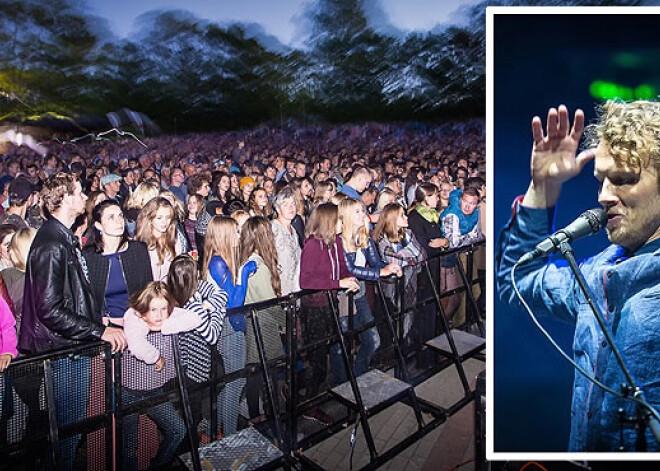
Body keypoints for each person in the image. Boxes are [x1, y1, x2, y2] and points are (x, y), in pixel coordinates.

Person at [496, 102, 660, 451]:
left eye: (624, 179)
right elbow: (517, 281)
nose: (604, 196)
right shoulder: (594, 272)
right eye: (601, 180)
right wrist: (543, 187)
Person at [19, 173, 126, 470]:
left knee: (70, 429)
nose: (83, 198)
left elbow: (71, 297)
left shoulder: (62, 237)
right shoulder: (52, 244)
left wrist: (96, 318)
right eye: (78, 193)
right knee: (66, 433)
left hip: (72, 346)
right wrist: (99, 330)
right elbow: (49, 310)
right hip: (64, 352)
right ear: (65, 198)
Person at [122, 281, 198, 470]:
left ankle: (158, 466)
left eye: (163, 308)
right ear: (143, 308)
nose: (159, 315)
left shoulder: (166, 319)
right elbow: (137, 345)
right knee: (129, 449)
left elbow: (195, 318)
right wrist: (157, 357)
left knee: (178, 430)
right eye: (153, 309)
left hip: (154, 392)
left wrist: (164, 326)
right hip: (129, 393)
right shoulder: (134, 318)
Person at [299, 203, 359, 424]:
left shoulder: (336, 242)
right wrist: (337, 282)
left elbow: (342, 268)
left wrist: (349, 279)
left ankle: (302, 390)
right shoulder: (314, 245)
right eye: (339, 220)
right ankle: (309, 405)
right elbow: (305, 281)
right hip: (315, 308)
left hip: (330, 304)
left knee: (324, 355)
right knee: (317, 360)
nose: (343, 223)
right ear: (328, 222)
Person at [335, 198, 401, 383]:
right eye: (357, 211)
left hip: (359, 294)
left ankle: (358, 378)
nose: (363, 213)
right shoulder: (338, 239)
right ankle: (343, 386)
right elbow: (350, 270)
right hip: (341, 298)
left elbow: (375, 262)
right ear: (346, 215)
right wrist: (381, 271)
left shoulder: (363, 235)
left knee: (372, 341)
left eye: (362, 210)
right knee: (340, 346)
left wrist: (392, 267)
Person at [203, 216, 257, 436]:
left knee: (235, 380)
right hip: (227, 326)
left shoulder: (225, 260)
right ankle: (229, 433)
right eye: (235, 231)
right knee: (235, 382)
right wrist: (243, 273)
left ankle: (219, 427)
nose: (239, 235)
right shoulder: (217, 263)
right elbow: (233, 303)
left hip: (233, 325)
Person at [167, 255, 227, 441]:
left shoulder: (173, 294)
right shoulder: (194, 306)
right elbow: (212, 336)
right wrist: (217, 312)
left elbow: (221, 293)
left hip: (184, 364)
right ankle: (190, 448)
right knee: (192, 412)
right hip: (195, 365)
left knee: (192, 408)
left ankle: (193, 438)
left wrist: (209, 303)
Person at [239, 216, 285, 421]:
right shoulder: (258, 265)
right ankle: (267, 419)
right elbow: (269, 303)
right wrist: (286, 321)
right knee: (267, 377)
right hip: (264, 325)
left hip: (256, 323)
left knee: (257, 374)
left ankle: (257, 415)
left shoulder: (247, 260)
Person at [83, 200, 153, 326]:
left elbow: (148, 289)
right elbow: (87, 298)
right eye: (111, 217)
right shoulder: (90, 257)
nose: (119, 221)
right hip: (106, 325)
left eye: (120, 216)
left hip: (138, 321)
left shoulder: (138, 250)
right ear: (99, 225)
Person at [373, 203, 426, 339]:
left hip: (410, 284)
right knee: (392, 321)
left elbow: (423, 254)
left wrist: (404, 256)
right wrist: (410, 255)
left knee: (409, 316)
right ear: (392, 219)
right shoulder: (381, 239)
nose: (406, 217)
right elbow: (394, 262)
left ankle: (405, 344)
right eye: (402, 215)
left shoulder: (408, 233)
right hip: (391, 288)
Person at [135, 197, 184, 281]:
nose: (164, 222)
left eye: (168, 217)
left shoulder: (174, 237)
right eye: (159, 218)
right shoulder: (140, 242)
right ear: (149, 218)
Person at [271, 187, 301, 296]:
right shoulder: (273, 228)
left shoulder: (293, 230)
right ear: (278, 209)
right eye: (285, 205)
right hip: (280, 288)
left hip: (294, 287)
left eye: (293, 204)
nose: (291, 207)